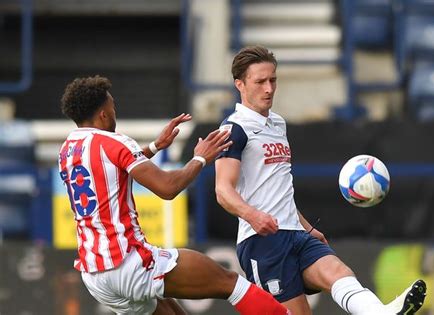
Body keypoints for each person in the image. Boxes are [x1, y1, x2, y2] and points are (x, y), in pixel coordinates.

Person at [214, 45, 427, 315]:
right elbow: (223, 190)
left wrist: (304, 226)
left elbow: (277, 188)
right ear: (240, 85)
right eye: (260, 82)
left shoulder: (277, 124)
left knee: (339, 272)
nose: (269, 89)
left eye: (273, 80)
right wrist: (253, 215)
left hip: (295, 233)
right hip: (261, 241)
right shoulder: (234, 129)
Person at [58, 75, 291, 315]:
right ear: (104, 114)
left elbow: (111, 168)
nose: (114, 111)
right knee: (230, 283)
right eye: (112, 106)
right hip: (129, 262)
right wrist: (201, 158)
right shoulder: (114, 142)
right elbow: (167, 188)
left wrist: (156, 146)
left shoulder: (68, 150)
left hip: (95, 275)